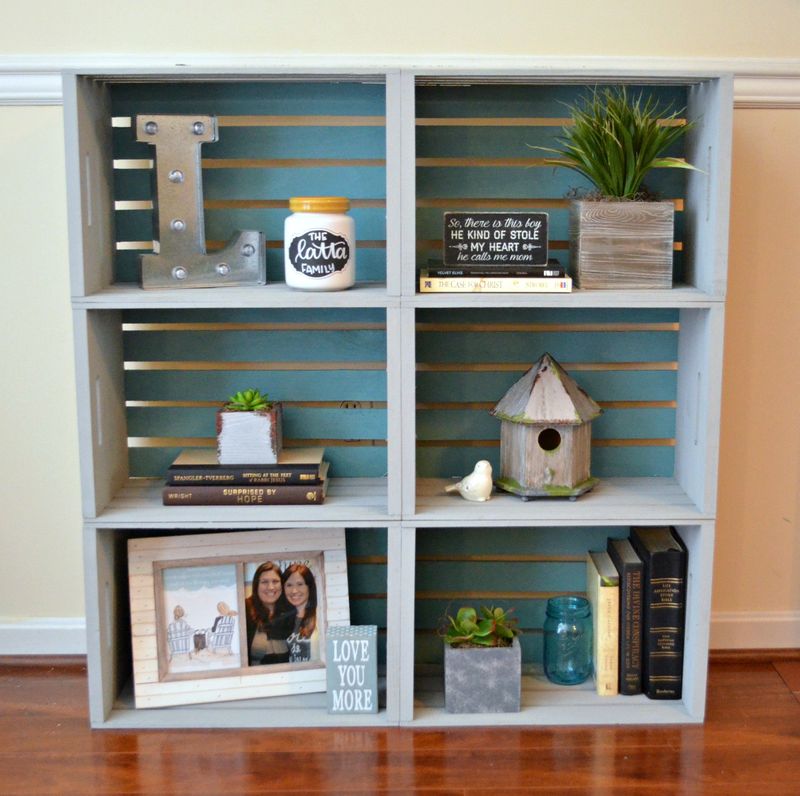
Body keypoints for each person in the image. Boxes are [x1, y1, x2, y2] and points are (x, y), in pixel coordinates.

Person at [245, 561, 294, 666]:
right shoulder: (246, 610)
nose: (270, 587)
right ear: (256, 585)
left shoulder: (290, 611)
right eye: (264, 582)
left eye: (275, 581)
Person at [282, 563, 319, 664]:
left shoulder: (320, 617)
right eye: (289, 585)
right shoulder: (282, 619)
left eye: (300, 584)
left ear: (309, 587)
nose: (294, 591)